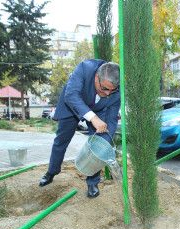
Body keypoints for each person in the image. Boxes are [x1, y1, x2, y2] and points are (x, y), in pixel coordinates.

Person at [39, 59, 121, 199]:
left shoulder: (117, 91)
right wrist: (92, 118)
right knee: (61, 140)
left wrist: (103, 145)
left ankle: (92, 182)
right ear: (96, 77)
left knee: (96, 147)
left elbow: (112, 118)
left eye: (112, 90)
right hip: (72, 105)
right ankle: (52, 171)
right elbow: (71, 95)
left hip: (99, 110)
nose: (108, 94)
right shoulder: (85, 68)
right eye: (104, 88)